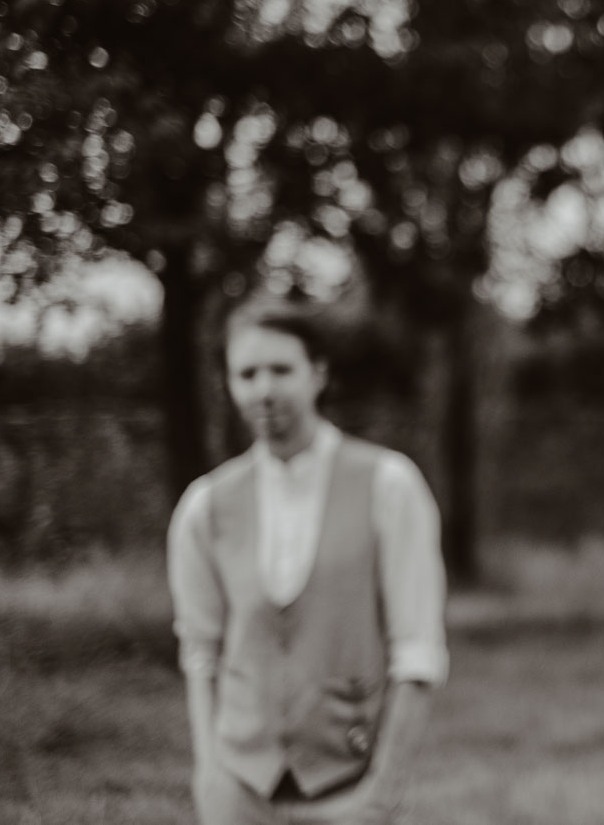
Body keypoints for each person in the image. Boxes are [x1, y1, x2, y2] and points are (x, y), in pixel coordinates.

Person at [167, 300, 449, 825]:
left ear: (318, 373)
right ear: (228, 383)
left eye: (281, 369)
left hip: (350, 786)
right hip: (239, 787)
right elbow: (200, 653)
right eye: (247, 373)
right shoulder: (205, 507)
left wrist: (381, 792)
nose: (264, 390)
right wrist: (210, 772)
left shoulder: (389, 485)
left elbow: (418, 654)